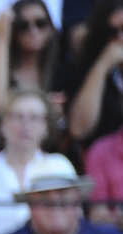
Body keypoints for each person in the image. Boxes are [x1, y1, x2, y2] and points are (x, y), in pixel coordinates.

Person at [0, 89, 73, 234]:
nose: (25, 125)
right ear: (2, 125)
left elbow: (75, 223)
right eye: (17, 117)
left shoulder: (60, 166)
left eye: (34, 118)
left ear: (46, 127)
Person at [0, 0, 68, 118]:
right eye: (23, 26)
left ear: (51, 27)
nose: (33, 31)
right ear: (13, 30)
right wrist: (2, 38)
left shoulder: (64, 71)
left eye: (40, 23)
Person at [60, 0, 123, 148]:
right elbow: (79, 130)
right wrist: (102, 65)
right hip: (102, 164)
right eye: (112, 32)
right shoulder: (85, 72)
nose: (121, 38)